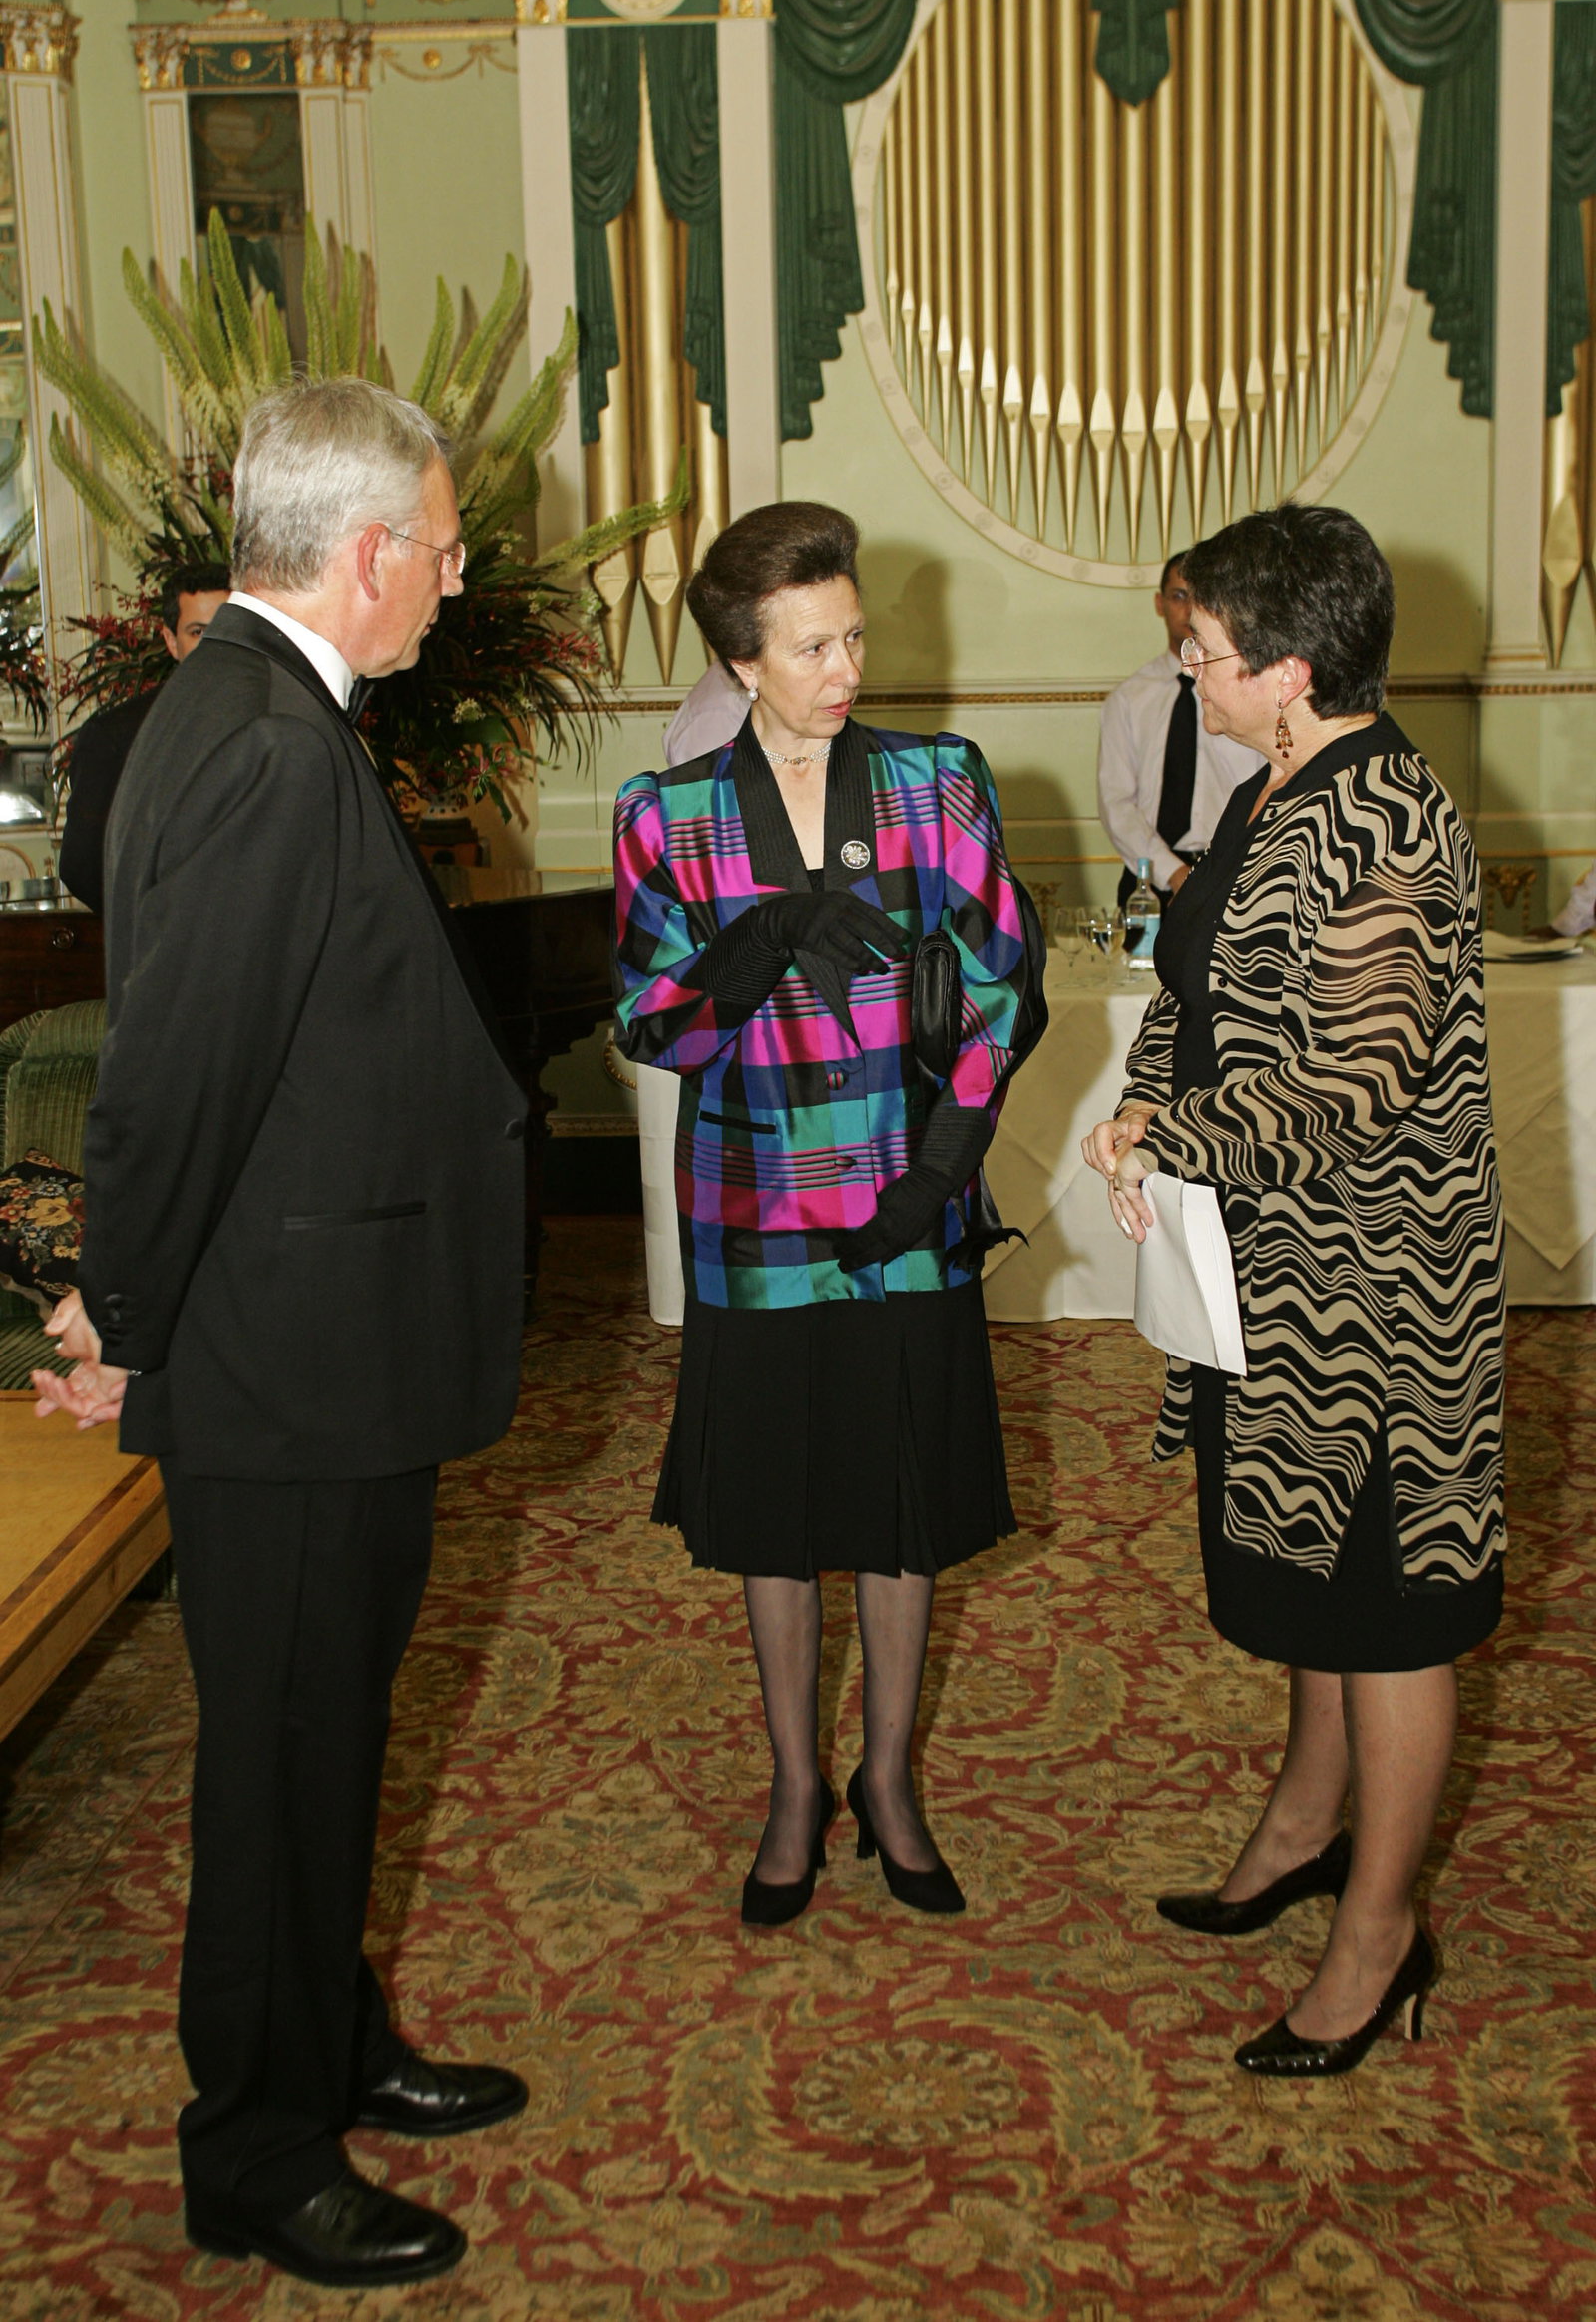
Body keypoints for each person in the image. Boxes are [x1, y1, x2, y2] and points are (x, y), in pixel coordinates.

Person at [32, 380, 531, 2289]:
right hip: (285, 1356)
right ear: (373, 553)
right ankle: (250, 2145)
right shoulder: (256, 743)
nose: (457, 576)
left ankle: (329, 2044)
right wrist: (127, 1316)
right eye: (449, 543)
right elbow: (173, 1072)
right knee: (281, 1758)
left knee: (327, 1734)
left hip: (316, 1336)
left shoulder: (227, 713)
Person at [1083, 503, 1504, 2079]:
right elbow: (1191, 987)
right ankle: (1304, 1824)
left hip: (1381, 1300)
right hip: (1267, 1276)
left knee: (1391, 1612)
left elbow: (1359, 1075)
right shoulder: (1271, 786)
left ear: (1293, 668)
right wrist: (1144, 1099)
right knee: (1306, 1575)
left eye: (1204, 655)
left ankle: (1382, 1932)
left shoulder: (1389, 817)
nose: (1183, 673)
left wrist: (1172, 1128)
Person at [613, 502, 1039, 1928]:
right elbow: (652, 1027)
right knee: (781, 1515)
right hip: (757, 1211)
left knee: (904, 1502)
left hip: (907, 1197)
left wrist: (936, 1168)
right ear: (741, 660)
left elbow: (1001, 984)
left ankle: (890, 1778)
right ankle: (797, 1782)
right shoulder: (662, 816)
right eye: (812, 645)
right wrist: (757, 943)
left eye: (854, 633)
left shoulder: (936, 781)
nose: (845, 665)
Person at [58, 561, 232, 912]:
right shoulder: (116, 736)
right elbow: (82, 867)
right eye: (198, 632)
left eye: (227, 630)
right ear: (171, 641)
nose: (215, 646)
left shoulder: (282, 721)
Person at [1097, 551, 1256, 913]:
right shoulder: (1130, 698)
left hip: (1233, 872)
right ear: (1160, 604)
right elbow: (1116, 804)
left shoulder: (1249, 692)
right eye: (1179, 596)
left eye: (1200, 597)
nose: (1188, 610)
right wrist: (1174, 873)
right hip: (1149, 880)